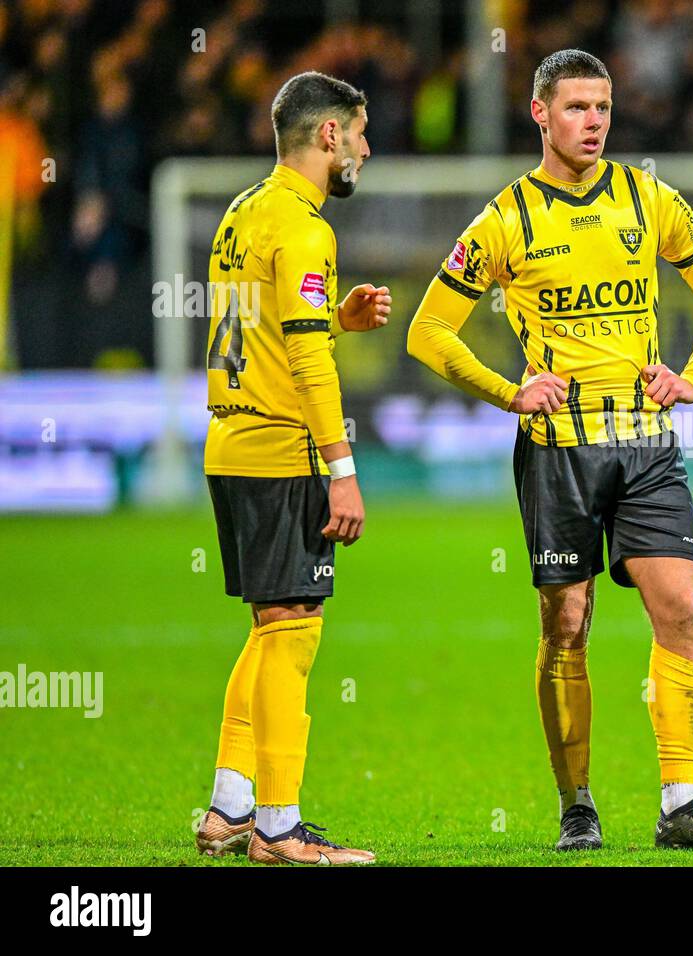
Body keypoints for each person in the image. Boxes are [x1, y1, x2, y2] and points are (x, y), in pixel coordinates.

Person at [406, 49, 693, 851]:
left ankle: (680, 801)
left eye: (603, 108)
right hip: (558, 450)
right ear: (540, 114)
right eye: (577, 108)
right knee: (567, 623)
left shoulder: (646, 196)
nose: (593, 123)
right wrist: (508, 390)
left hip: (644, 441)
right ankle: (578, 802)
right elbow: (427, 331)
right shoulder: (504, 221)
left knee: (683, 607)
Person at [195, 71, 391, 865]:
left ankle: (230, 808)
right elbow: (306, 363)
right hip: (282, 450)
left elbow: (276, 331)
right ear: (329, 136)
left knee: (271, 628)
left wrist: (335, 319)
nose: (368, 148)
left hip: (230, 447)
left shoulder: (245, 214)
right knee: (295, 630)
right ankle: (279, 828)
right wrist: (341, 468)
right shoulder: (307, 229)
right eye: (362, 131)